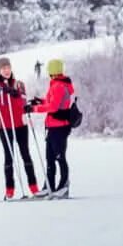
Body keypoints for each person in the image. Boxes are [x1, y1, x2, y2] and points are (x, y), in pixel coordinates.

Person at [0, 57, 39, 199]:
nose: (6, 71)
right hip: (5, 127)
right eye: (3, 69)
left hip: (20, 124)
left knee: (25, 154)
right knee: (9, 157)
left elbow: (23, 102)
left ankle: (33, 187)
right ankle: (10, 189)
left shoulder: (19, 85)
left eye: (8, 67)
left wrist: (13, 93)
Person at [33, 58, 76, 197]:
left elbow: (53, 107)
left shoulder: (58, 86)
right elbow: (52, 102)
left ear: (51, 71)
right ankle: (49, 185)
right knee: (50, 157)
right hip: (53, 126)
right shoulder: (58, 84)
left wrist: (34, 108)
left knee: (59, 156)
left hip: (59, 127)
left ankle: (63, 185)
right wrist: (40, 101)